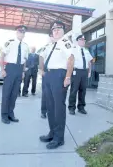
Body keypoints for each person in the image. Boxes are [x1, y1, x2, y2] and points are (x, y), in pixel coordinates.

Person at [39, 21, 74, 150]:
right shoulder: (52, 44)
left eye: (59, 28)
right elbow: (42, 58)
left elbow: (71, 59)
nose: (56, 30)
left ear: (63, 30)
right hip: (49, 75)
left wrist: (68, 76)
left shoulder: (65, 42)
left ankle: (59, 138)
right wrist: (41, 70)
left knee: (58, 107)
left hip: (60, 75)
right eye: (54, 29)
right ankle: (52, 133)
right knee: (50, 106)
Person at [0, 25, 29, 124]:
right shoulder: (10, 42)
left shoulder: (25, 46)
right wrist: (2, 69)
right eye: (20, 31)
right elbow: (2, 55)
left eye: (23, 32)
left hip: (19, 69)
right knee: (6, 93)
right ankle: (4, 115)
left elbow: (24, 59)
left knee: (14, 94)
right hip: (10, 68)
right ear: (17, 32)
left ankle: (10, 114)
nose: (22, 33)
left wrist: (23, 72)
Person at [68, 34, 93, 115]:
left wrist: (89, 72)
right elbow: (70, 61)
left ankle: (81, 107)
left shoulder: (86, 50)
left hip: (84, 72)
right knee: (74, 90)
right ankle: (71, 108)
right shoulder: (74, 49)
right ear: (78, 41)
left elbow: (89, 62)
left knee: (83, 91)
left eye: (84, 40)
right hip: (76, 72)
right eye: (82, 40)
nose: (83, 41)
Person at [40, 32, 54, 119]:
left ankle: (52, 111)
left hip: (56, 73)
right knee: (45, 93)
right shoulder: (46, 47)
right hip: (47, 72)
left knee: (54, 93)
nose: (52, 37)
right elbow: (41, 58)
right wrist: (41, 70)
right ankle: (43, 111)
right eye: (51, 36)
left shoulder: (59, 46)